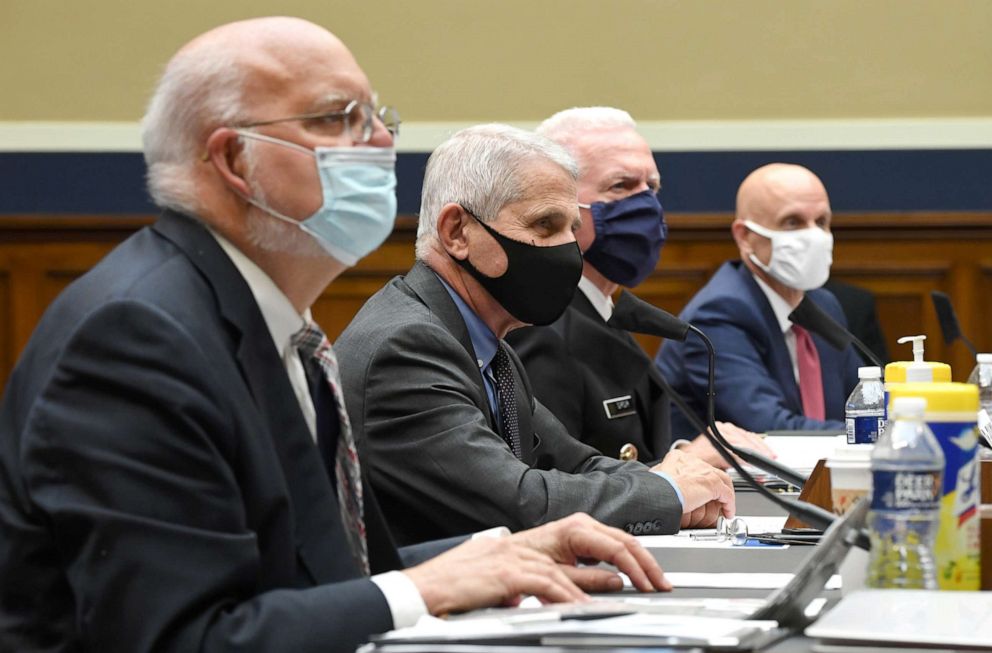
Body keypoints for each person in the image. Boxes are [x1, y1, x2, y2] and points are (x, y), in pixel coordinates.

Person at [0, 17, 671, 653]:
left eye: (379, 116)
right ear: (235, 158)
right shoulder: (137, 334)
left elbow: (314, 580)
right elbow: (186, 636)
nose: (381, 140)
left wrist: (491, 557)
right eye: (338, 118)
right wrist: (421, 585)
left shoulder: (266, 319)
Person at [336, 124, 735, 547]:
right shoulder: (408, 347)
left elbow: (578, 465)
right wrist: (668, 492)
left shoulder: (488, 345)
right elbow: (519, 503)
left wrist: (677, 480)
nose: (568, 248)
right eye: (545, 225)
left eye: (571, 227)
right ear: (456, 232)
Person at [506, 107, 773, 467]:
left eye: (652, 186)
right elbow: (555, 483)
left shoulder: (600, 311)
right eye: (621, 186)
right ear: (557, 204)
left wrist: (683, 457)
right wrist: (682, 466)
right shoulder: (539, 325)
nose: (646, 203)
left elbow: (634, 451)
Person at [657, 163, 861, 434]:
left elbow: (864, 400)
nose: (813, 236)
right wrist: (872, 434)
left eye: (821, 222)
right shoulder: (718, 313)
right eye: (793, 222)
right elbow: (771, 430)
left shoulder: (823, 305)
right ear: (745, 237)